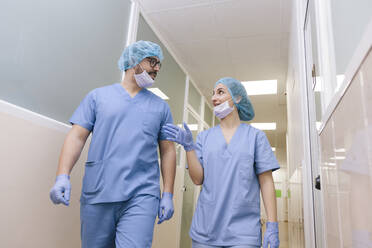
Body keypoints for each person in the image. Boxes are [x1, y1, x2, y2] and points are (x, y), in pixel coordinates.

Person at [49, 40, 176, 248]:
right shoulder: (98, 97)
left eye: (159, 63)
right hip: (99, 191)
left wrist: (168, 193)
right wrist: (62, 175)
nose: (157, 68)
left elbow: (168, 151)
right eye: (152, 61)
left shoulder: (160, 108)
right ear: (133, 60)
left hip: (142, 194)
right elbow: (77, 136)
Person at [161, 77, 280, 248]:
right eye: (213, 93)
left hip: (243, 232)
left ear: (237, 98)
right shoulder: (204, 137)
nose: (214, 98)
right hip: (206, 229)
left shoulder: (255, 137)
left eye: (221, 92)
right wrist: (189, 148)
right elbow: (197, 179)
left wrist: (272, 224)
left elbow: (266, 181)